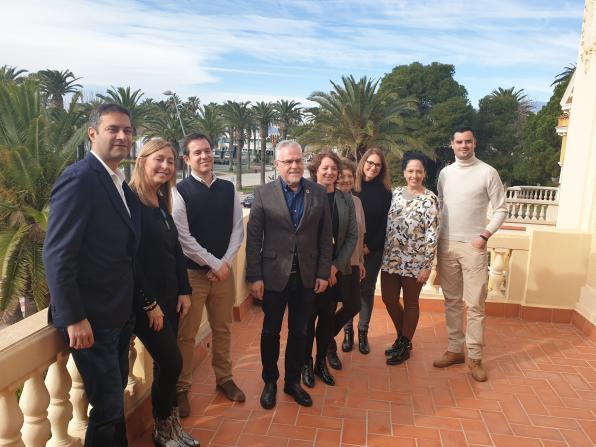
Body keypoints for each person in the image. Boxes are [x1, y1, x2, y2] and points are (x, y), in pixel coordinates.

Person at [43, 104, 141, 446]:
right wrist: (73, 317)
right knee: (108, 407)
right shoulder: (80, 178)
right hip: (92, 320)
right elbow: (58, 253)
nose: (122, 136)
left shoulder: (118, 183)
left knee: (113, 401)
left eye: (127, 130)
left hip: (118, 314)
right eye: (113, 129)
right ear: (92, 133)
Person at [246, 140, 332, 410]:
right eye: (288, 161)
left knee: (300, 331)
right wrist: (254, 276)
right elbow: (254, 238)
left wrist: (323, 273)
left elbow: (325, 236)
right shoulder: (263, 194)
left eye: (298, 160)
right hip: (273, 276)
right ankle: (270, 381)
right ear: (277, 165)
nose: (294, 166)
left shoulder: (318, 193)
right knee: (270, 332)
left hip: (306, 277)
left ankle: (292, 382)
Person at [129, 138, 198, 447]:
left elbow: (174, 250)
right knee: (172, 362)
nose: (166, 166)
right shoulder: (131, 202)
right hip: (147, 305)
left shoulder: (161, 200)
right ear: (142, 160)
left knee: (166, 364)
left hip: (171, 299)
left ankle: (172, 427)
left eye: (170, 161)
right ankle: (162, 427)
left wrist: (184, 290)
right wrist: (149, 303)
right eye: (159, 159)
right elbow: (130, 259)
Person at [172, 133, 245, 417]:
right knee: (186, 335)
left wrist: (224, 263)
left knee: (223, 329)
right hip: (193, 277)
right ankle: (181, 388)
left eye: (207, 150)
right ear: (187, 159)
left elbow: (237, 228)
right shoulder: (180, 192)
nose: (204, 156)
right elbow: (183, 238)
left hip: (223, 275)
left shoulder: (228, 188)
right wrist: (215, 264)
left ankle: (224, 378)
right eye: (197, 153)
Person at [433, 127, 507, 382]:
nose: (463, 146)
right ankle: (455, 350)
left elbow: (501, 209)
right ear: (452, 144)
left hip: (474, 246)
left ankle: (475, 357)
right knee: (451, 301)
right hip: (446, 244)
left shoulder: (488, 172)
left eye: (467, 141)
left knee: (475, 304)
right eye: (459, 142)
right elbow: (440, 206)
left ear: (475, 143)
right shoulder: (445, 173)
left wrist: (484, 236)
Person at [301, 152, 357, 387]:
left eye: (334, 168)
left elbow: (352, 236)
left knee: (326, 320)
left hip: (334, 273)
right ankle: (305, 363)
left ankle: (320, 362)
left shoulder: (345, 200)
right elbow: (300, 237)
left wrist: (334, 267)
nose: (330, 172)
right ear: (316, 170)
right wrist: (320, 270)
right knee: (307, 321)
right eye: (325, 168)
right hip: (309, 273)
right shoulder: (304, 195)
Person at [381, 153, 439, 365]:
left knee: (411, 302)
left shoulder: (430, 199)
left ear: (424, 174)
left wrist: (427, 266)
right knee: (389, 299)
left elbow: (432, 234)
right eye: (410, 171)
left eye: (419, 171)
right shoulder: (395, 193)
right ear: (404, 172)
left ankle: (404, 343)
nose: (414, 175)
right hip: (390, 259)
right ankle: (403, 337)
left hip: (415, 262)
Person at [344, 148, 392, 354]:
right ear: (363, 163)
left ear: (382, 168)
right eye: (370, 163)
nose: (373, 167)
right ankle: (347, 332)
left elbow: (385, 224)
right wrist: (356, 246)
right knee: (348, 291)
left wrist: (368, 246)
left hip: (373, 250)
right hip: (349, 249)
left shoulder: (385, 192)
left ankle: (363, 332)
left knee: (366, 290)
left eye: (378, 165)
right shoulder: (351, 187)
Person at [327, 158, 367, 368]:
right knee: (330, 306)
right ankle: (329, 348)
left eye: (350, 176)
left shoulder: (357, 202)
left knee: (353, 305)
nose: (346, 179)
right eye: (341, 176)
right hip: (334, 265)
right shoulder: (331, 200)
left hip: (352, 263)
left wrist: (360, 261)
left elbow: (359, 235)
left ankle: (324, 334)